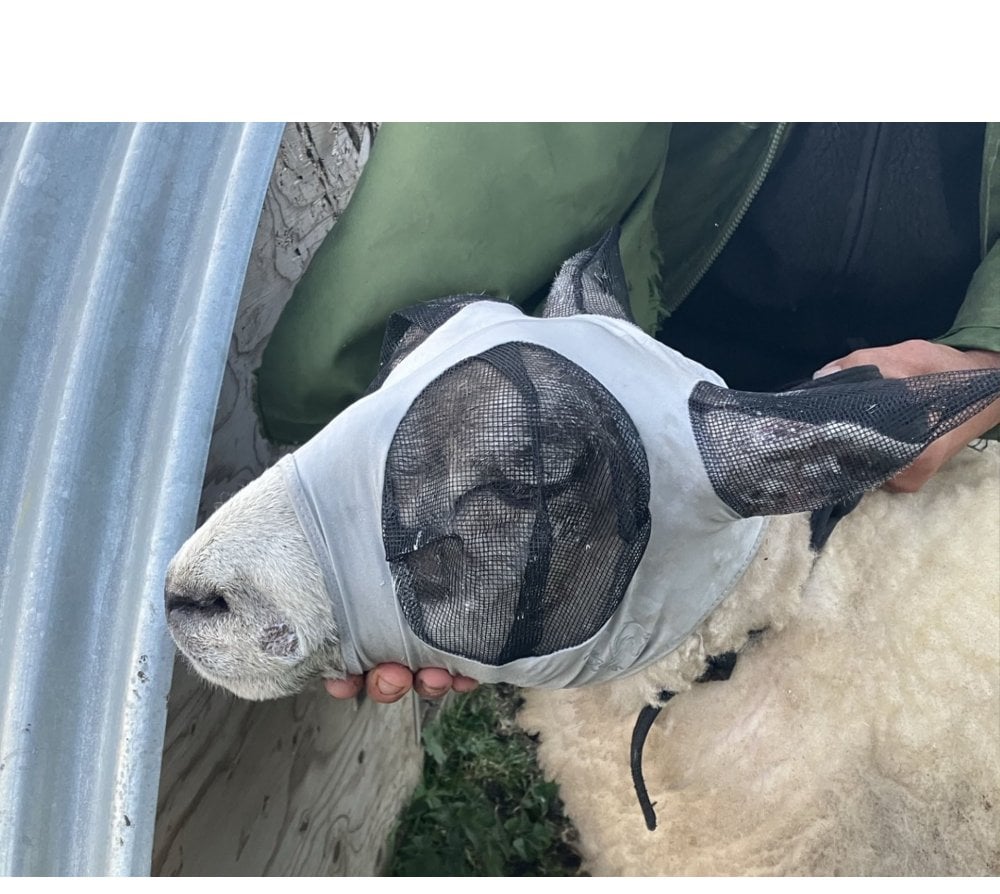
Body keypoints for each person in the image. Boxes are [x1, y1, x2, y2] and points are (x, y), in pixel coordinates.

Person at [256, 123, 1000, 705]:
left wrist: (987, 360)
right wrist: (366, 466)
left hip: (922, 416)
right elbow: (514, 146)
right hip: (646, 386)